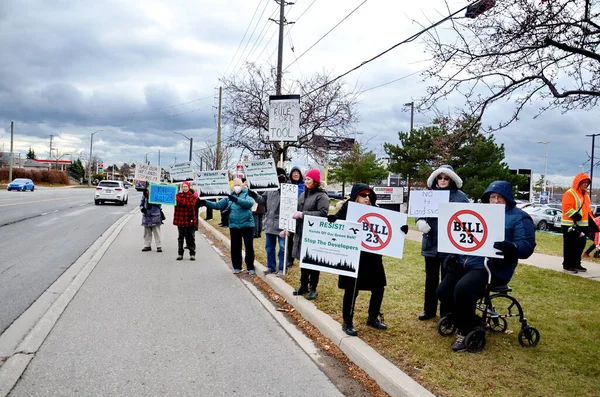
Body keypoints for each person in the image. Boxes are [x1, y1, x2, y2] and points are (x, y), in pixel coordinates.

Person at [437, 180, 536, 352]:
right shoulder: (481, 213)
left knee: (463, 290)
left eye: (500, 198)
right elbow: (466, 236)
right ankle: (472, 321)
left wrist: (512, 247)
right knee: (443, 291)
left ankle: (466, 330)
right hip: (468, 262)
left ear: (508, 199)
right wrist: (453, 254)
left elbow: (527, 245)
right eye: (492, 197)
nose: (495, 201)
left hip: (493, 268)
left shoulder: (519, 217)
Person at [331, 183, 408, 336]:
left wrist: (401, 230)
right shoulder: (346, 210)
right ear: (355, 197)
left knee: (379, 287)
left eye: (369, 195)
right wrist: (333, 220)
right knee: (352, 290)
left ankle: (372, 317)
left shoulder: (377, 210)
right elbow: (336, 226)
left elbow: (389, 229)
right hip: (354, 256)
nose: (367, 198)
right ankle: (347, 321)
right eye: (363, 195)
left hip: (372, 257)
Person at [415, 165, 469, 321]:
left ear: (451, 179)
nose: (443, 180)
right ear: (436, 179)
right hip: (431, 244)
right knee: (430, 280)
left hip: (451, 246)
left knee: (448, 281)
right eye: (440, 177)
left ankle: (446, 311)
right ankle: (429, 310)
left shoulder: (460, 197)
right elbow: (419, 213)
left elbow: (468, 216)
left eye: (446, 178)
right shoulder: (428, 195)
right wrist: (420, 222)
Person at [288, 169, 329, 300]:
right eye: (305, 179)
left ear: (315, 181)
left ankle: (313, 288)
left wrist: (303, 214)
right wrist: (289, 228)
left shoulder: (322, 196)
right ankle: (303, 285)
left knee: (313, 261)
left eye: (308, 179)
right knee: (303, 260)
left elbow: (323, 214)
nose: (306, 182)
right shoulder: (303, 195)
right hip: (302, 231)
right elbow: (297, 211)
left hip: (314, 233)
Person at [204, 178, 256, 275]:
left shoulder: (247, 194)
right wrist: (205, 202)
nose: (236, 187)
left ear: (242, 186)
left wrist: (236, 200)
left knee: (249, 247)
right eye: (235, 185)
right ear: (232, 186)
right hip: (234, 225)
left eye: (238, 185)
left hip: (247, 225)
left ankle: (250, 267)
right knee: (235, 247)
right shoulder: (228, 197)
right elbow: (217, 205)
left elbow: (249, 203)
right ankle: (237, 267)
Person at [561, 173, 594, 273]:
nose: (585, 185)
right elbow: (566, 207)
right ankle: (567, 264)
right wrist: (576, 215)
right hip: (570, 225)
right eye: (584, 182)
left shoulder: (586, 196)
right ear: (578, 182)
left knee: (580, 246)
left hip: (583, 225)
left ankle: (576, 263)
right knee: (570, 246)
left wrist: (592, 222)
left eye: (587, 183)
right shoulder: (570, 193)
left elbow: (588, 211)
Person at [262, 168, 288, 275]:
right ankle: (271, 267)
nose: (279, 177)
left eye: (282, 175)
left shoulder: (288, 188)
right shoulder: (270, 188)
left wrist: (282, 190)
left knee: (282, 248)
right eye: (277, 175)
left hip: (282, 224)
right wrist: (253, 194)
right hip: (270, 223)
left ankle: (283, 268)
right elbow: (262, 200)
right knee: (269, 248)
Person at [173, 181, 198, 261]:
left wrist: (180, 200)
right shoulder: (178, 195)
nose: (185, 188)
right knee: (180, 237)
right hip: (180, 219)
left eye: (186, 186)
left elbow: (190, 204)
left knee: (190, 237)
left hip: (189, 219)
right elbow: (174, 203)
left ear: (189, 187)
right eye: (183, 187)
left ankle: (192, 253)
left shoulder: (193, 196)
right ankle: (180, 253)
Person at [286, 166, 305, 268]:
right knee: (289, 238)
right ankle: (290, 259)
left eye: (298, 172)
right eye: (294, 172)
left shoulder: (304, 186)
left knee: (300, 238)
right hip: (290, 215)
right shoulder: (287, 186)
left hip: (301, 215)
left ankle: (301, 257)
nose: (296, 174)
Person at [140, 187, 163, 252]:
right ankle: (147, 245)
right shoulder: (144, 195)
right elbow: (141, 203)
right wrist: (142, 208)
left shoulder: (157, 194)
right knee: (147, 231)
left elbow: (160, 203)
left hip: (155, 214)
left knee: (156, 231)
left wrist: (152, 200)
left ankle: (159, 246)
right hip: (146, 215)